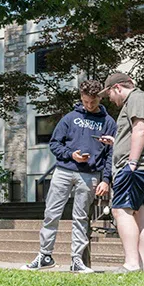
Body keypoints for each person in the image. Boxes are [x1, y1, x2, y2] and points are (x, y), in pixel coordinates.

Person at [23, 79, 115, 273]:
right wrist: (71, 155)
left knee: (81, 217)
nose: (89, 106)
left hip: (90, 175)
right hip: (64, 171)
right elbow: (55, 144)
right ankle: (45, 256)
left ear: (100, 98)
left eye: (93, 102)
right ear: (81, 97)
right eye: (86, 101)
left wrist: (106, 180)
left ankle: (77, 260)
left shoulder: (108, 123)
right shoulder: (70, 118)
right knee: (51, 213)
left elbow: (111, 155)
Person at [99, 72, 144, 273]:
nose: (110, 99)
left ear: (117, 87)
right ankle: (143, 266)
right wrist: (116, 142)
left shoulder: (137, 98)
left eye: (109, 94)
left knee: (120, 211)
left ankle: (132, 264)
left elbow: (141, 129)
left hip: (137, 166)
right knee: (142, 213)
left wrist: (132, 163)